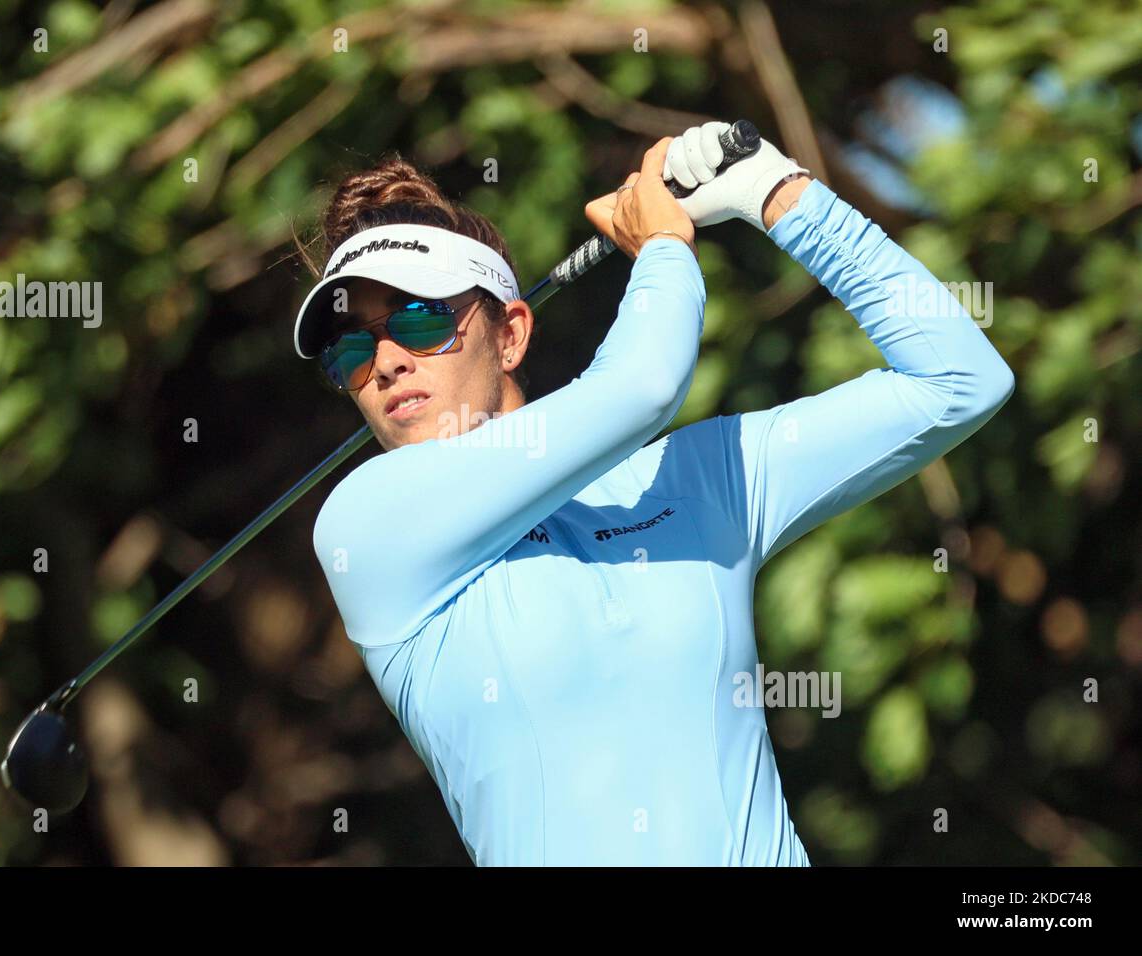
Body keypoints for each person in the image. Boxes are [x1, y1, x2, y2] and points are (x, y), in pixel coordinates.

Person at [292, 126, 1015, 865]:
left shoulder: (693, 480)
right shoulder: (364, 526)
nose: (383, 362)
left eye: (419, 319)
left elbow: (960, 382)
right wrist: (665, 247)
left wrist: (778, 194)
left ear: (509, 336)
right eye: (352, 347)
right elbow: (643, 386)